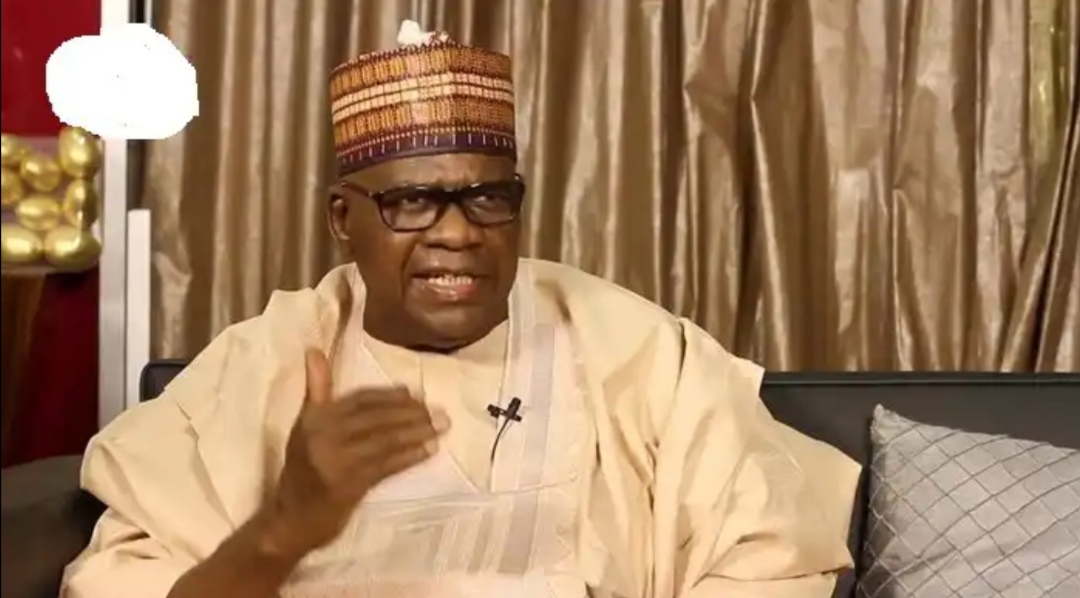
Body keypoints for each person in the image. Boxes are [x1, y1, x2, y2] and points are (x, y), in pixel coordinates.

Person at [62, 20, 860, 598]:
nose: (457, 233)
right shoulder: (260, 366)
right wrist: (282, 530)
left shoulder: (635, 349)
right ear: (343, 218)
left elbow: (769, 559)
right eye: (411, 202)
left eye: (487, 198)